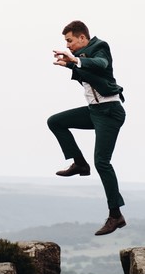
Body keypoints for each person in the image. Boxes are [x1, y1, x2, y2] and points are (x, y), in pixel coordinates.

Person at [48, 20, 127, 236]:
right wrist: (71, 63)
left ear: (83, 38)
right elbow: (85, 71)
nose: (68, 45)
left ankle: (115, 215)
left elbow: (100, 64)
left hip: (110, 113)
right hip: (94, 111)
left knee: (102, 162)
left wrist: (75, 61)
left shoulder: (100, 47)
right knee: (55, 121)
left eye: (70, 41)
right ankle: (80, 164)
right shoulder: (79, 57)